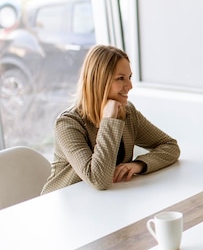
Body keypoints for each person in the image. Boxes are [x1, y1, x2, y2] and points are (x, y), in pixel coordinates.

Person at [41, 45, 180, 194]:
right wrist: (109, 121)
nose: (130, 86)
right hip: (62, 206)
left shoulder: (128, 113)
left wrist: (138, 165)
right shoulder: (68, 124)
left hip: (106, 202)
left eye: (130, 77)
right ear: (98, 81)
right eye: (121, 78)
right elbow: (98, 179)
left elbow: (170, 146)